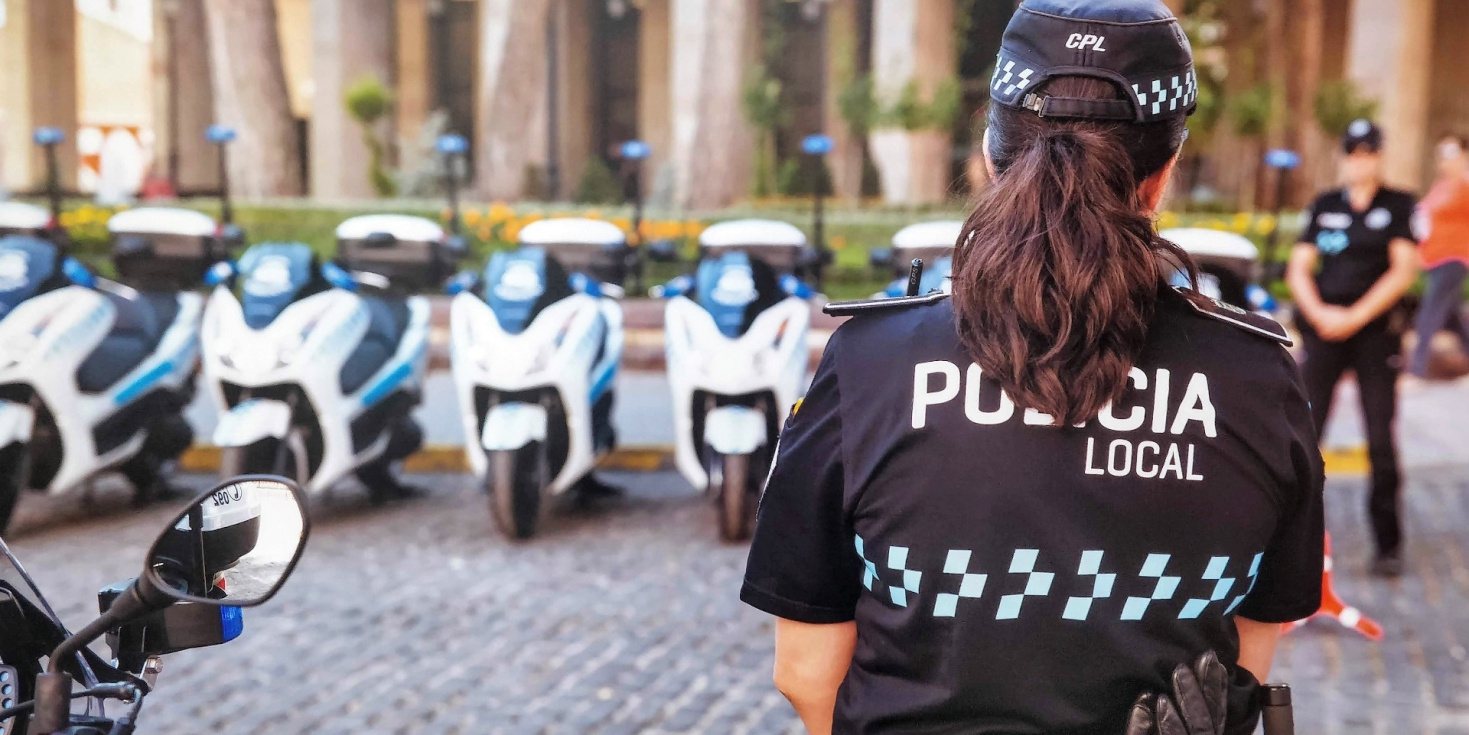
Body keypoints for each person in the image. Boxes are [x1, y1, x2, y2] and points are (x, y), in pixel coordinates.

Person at [740, 1, 1325, 733]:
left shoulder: (867, 363)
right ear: (1162, 174)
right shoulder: (1256, 379)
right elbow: (1242, 659)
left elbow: (804, 672)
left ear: (991, 157)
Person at [1286, 120, 1420, 578]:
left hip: (1375, 334)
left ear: (1379, 156)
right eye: (1352, 153)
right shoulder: (1325, 204)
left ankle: (1388, 543)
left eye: (1367, 153)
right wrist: (1320, 313)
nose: (1359, 161)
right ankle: (1287, 539)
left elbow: (1403, 271)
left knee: (1380, 438)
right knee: (1305, 433)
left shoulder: (1398, 204)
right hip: (1325, 329)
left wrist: (1354, 317)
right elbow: (1300, 267)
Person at [1407, 134, 1469, 379]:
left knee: (1429, 313)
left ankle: (1417, 371)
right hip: (1433, 259)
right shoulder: (1440, 186)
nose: (1445, 160)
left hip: (1454, 258)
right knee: (1453, 317)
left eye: (1451, 153)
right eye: (1441, 154)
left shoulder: (1465, 184)